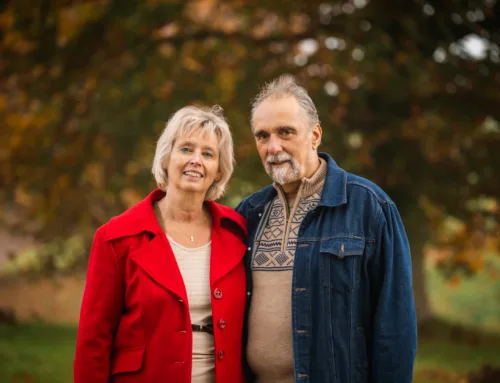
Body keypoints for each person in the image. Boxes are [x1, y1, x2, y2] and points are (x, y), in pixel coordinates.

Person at [236, 75, 417, 383]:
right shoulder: (248, 214)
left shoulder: (370, 207)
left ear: (315, 135)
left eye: (285, 132)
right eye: (262, 136)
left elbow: (395, 326)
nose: (273, 146)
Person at [74, 105, 247, 383]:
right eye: (186, 149)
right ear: (167, 158)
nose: (196, 160)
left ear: (218, 170)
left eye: (208, 154)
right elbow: (93, 341)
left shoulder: (237, 231)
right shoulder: (116, 238)